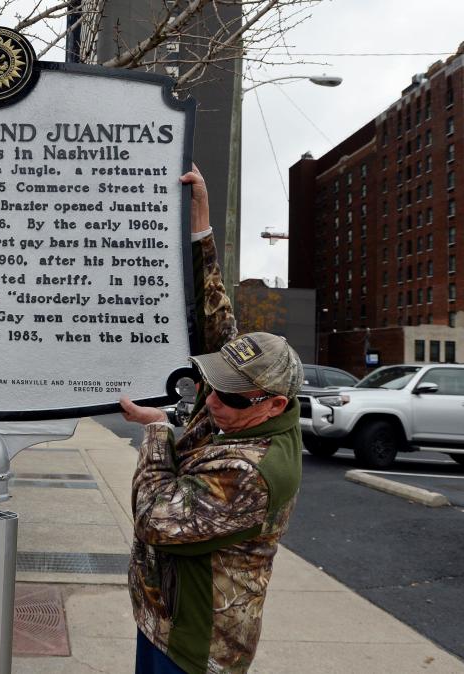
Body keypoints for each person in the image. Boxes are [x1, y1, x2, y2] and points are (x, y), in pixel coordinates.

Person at [120, 167, 304, 674]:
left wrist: (158, 430)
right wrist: (200, 217)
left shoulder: (255, 471)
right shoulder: (244, 409)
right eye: (215, 383)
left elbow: (154, 518)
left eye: (232, 396)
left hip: (194, 647)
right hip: (165, 620)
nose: (213, 400)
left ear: (274, 405)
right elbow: (215, 315)